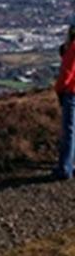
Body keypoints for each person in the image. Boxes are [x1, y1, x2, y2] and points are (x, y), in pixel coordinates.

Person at [58, 25, 75, 182]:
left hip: (72, 93)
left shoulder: (73, 47)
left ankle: (65, 168)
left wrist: (60, 90)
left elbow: (67, 73)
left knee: (69, 132)